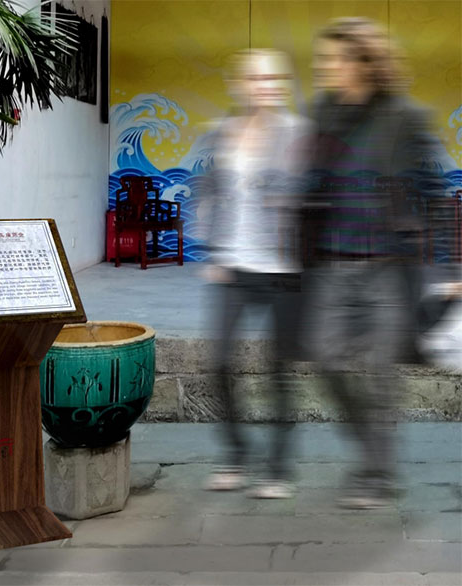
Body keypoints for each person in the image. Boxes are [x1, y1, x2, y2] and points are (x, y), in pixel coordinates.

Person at [304, 17, 439, 509]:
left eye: (333, 59)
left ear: (362, 61)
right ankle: (371, 447)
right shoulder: (322, 112)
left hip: (387, 267)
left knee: (382, 371)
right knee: (325, 358)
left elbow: (433, 190)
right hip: (332, 265)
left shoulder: (406, 117)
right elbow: (310, 180)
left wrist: (447, 271)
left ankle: (377, 474)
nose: (324, 67)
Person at [201, 49, 312, 499]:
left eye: (273, 79)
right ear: (240, 85)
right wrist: (214, 249)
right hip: (234, 264)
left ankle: (278, 469)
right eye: (256, 79)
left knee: (277, 368)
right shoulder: (224, 131)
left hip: (283, 268)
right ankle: (236, 455)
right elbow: (210, 191)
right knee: (218, 363)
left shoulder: (297, 132)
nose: (266, 87)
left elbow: (307, 191)